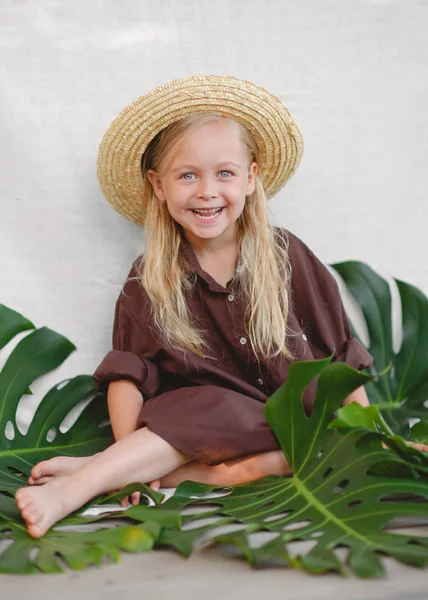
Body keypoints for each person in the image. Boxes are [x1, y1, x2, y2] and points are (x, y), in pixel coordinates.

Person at [15, 75, 377, 539]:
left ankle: (138, 472)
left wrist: (373, 438)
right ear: (158, 186)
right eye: (188, 175)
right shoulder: (152, 278)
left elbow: (343, 356)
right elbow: (130, 373)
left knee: (299, 450)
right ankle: (76, 489)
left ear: (251, 178)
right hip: (208, 427)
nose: (206, 191)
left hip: (295, 432)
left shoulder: (288, 257)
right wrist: (129, 457)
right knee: (218, 406)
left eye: (224, 173)